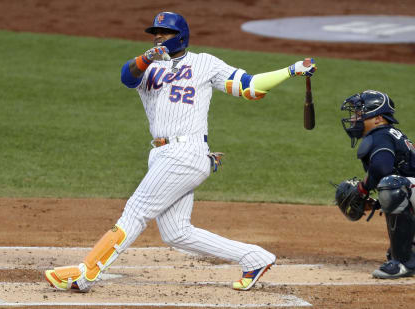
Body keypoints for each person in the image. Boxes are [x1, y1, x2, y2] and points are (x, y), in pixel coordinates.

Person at [44, 11, 317, 292]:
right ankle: (254, 258)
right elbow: (127, 76)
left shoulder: (204, 63)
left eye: (165, 32)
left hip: (186, 152)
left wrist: (290, 70)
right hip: (162, 154)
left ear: (181, 36)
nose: (158, 36)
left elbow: (249, 88)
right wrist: (147, 57)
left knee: (135, 212)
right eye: (155, 32)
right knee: (177, 233)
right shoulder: (147, 68)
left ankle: (86, 272)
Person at [340, 89, 415, 278]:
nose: (355, 118)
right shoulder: (390, 133)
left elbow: (382, 169)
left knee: (392, 188)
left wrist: (362, 188)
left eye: (360, 113)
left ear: (378, 118)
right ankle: (406, 253)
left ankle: (403, 263)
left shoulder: (380, 134)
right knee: (392, 188)